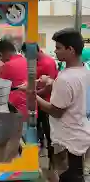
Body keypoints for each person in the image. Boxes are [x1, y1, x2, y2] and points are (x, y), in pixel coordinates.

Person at [36, 28, 90, 182]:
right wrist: (50, 82)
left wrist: (33, 96)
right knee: (75, 174)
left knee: (68, 177)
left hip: (68, 142)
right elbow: (74, 92)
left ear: (70, 50)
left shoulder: (65, 78)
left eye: (58, 48)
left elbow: (56, 111)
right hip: (82, 135)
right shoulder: (84, 70)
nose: (55, 51)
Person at [21, 43, 58, 152]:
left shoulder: (48, 63)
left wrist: (34, 93)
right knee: (35, 127)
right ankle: (38, 148)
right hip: (36, 100)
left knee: (49, 132)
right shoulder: (34, 62)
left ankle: (53, 159)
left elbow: (49, 87)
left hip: (47, 102)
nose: (26, 56)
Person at [0, 38, 28, 119]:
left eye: (0, 55)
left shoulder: (8, 65)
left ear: (6, 52)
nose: (0, 59)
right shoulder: (26, 61)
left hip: (16, 109)